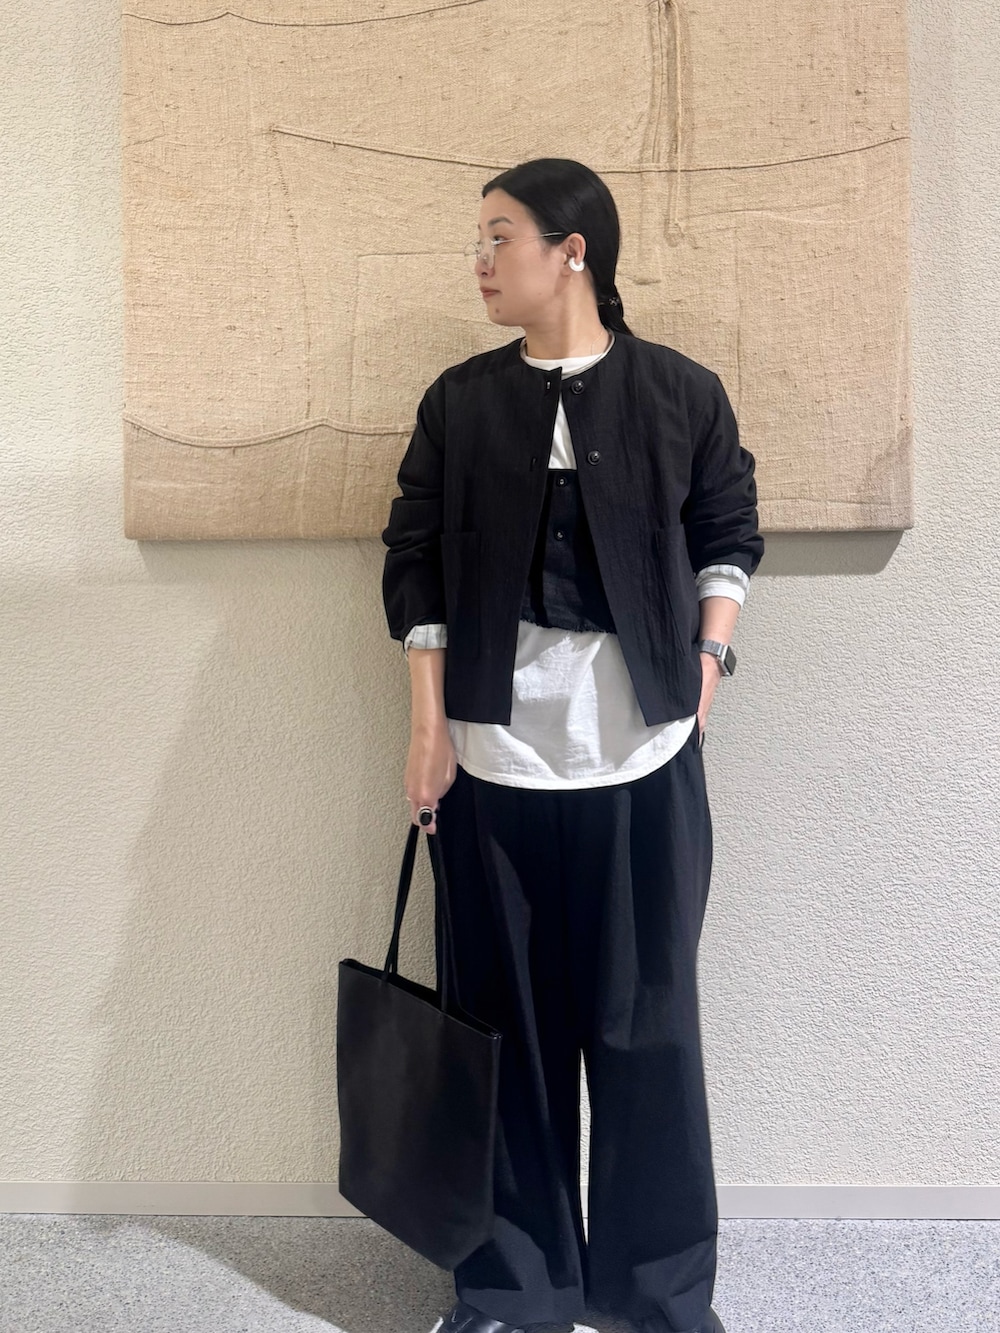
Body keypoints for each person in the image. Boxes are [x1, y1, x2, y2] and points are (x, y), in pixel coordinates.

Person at [381, 158, 763, 1333]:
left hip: (644, 756)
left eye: (499, 236)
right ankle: (513, 1288)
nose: (480, 261)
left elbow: (729, 529)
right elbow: (412, 561)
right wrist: (428, 731)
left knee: (651, 1030)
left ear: (572, 250)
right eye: (478, 239)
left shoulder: (679, 392)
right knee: (504, 1033)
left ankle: (656, 1293)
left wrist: (707, 668)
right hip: (491, 762)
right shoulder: (460, 402)